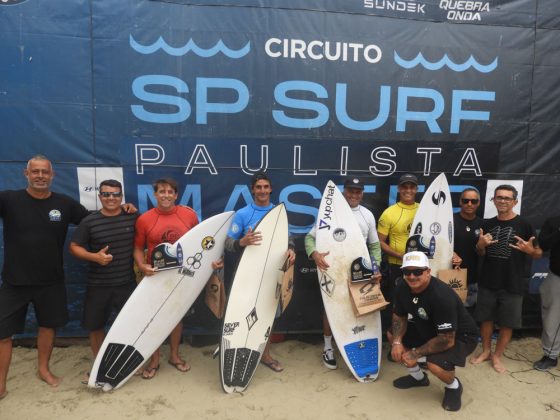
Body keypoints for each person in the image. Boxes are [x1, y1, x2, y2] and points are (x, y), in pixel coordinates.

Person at [0, 156, 90, 398]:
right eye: (35, 171)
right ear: (26, 174)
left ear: (52, 176)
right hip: (14, 282)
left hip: (50, 282)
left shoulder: (65, 204)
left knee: (48, 327)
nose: (40, 176)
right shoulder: (8, 199)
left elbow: (94, 222)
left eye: (45, 172)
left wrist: (123, 209)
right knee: (3, 334)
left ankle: (43, 370)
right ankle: (0, 384)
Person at [305, 177, 382, 369]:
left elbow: (374, 245)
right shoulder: (330, 214)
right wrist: (314, 254)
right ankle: (328, 346)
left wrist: (376, 267)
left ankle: (361, 342)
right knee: (333, 308)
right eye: (350, 191)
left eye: (357, 191)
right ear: (344, 192)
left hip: (360, 271)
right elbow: (309, 237)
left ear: (362, 193)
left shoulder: (367, 215)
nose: (354, 195)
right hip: (334, 270)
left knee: (363, 308)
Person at [224, 172, 295, 373]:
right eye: (258, 187)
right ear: (253, 190)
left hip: (272, 274)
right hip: (248, 274)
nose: (262, 191)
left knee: (268, 314)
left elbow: (288, 239)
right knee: (242, 312)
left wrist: (290, 249)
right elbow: (227, 243)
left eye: (266, 187)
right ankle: (239, 349)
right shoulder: (243, 214)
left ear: (271, 189)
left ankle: (265, 355)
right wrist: (242, 242)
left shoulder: (279, 212)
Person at [391, 251, 478, 412]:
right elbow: (399, 316)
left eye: (417, 271)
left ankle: (454, 386)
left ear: (428, 272)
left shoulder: (441, 296)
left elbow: (446, 339)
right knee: (393, 335)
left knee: (435, 364)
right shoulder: (402, 286)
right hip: (430, 328)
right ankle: (418, 378)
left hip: (460, 335)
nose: (411, 276)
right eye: (407, 272)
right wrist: (397, 341)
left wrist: (415, 354)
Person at [470, 184, 542, 373]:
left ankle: (497, 355)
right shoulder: (485, 224)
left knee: (507, 322)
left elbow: (538, 254)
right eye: (499, 197)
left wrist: (530, 251)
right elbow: (479, 252)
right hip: (488, 281)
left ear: (515, 201)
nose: (502, 201)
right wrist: (480, 245)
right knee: (486, 319)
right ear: (493, 200)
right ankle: (486, 351)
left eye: (507, 198)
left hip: (513, 282)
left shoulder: (525, 225)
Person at [133, 178, 198, 379]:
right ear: (155, 194)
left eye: (170, 192)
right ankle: (154, 360)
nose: (166, 195)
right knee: (153, 319)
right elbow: (137, 248)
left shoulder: (189, 214)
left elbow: (200, 242)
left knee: (175, 316)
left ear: (176, 195)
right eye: (162, 191)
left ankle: (174, 356)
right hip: (155, 276)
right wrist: (142, 266)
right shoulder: (145, 219)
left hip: (181, 276)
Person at [69, 180, 138, 362]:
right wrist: (95, 257)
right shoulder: (89, 221)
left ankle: (129, 360)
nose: (111, 198)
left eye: (115, 194)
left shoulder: (132, 216)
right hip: (98, 285)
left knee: (131, 325)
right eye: (106, 194)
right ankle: (99, 362)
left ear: (121, 197)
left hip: (127, 283)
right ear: (100, 196)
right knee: (95, 326)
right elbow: (74, 246)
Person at [377, 174, 419, 336]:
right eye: (404, 187)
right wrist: (400, 256)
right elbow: (380, 242)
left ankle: (415, 341)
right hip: (397, 266)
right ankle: (396, 341)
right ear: (399, 189)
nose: (408, 190)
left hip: (421, 267)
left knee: (419, 304)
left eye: (411, 187)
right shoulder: (389, 213)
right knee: (398, 305)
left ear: (416, 189)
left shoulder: (425, 209)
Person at [533, 215, 560, 371]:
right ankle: (550, 356)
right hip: (557, 275)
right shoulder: (554, 220)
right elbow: (542, 245)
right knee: (552, 317)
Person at [453, 188, 483, 309]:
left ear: (479, 203)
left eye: (473, 201)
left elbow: (483, 253)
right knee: (448, 316)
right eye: (466, 201)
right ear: (460, 202)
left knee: (469, 318)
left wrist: (481, 246)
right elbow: (438, 244)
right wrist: (452, 253)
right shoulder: (449, 220)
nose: (469, 204)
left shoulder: (483, 224)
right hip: (450, 277)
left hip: (472, 280)